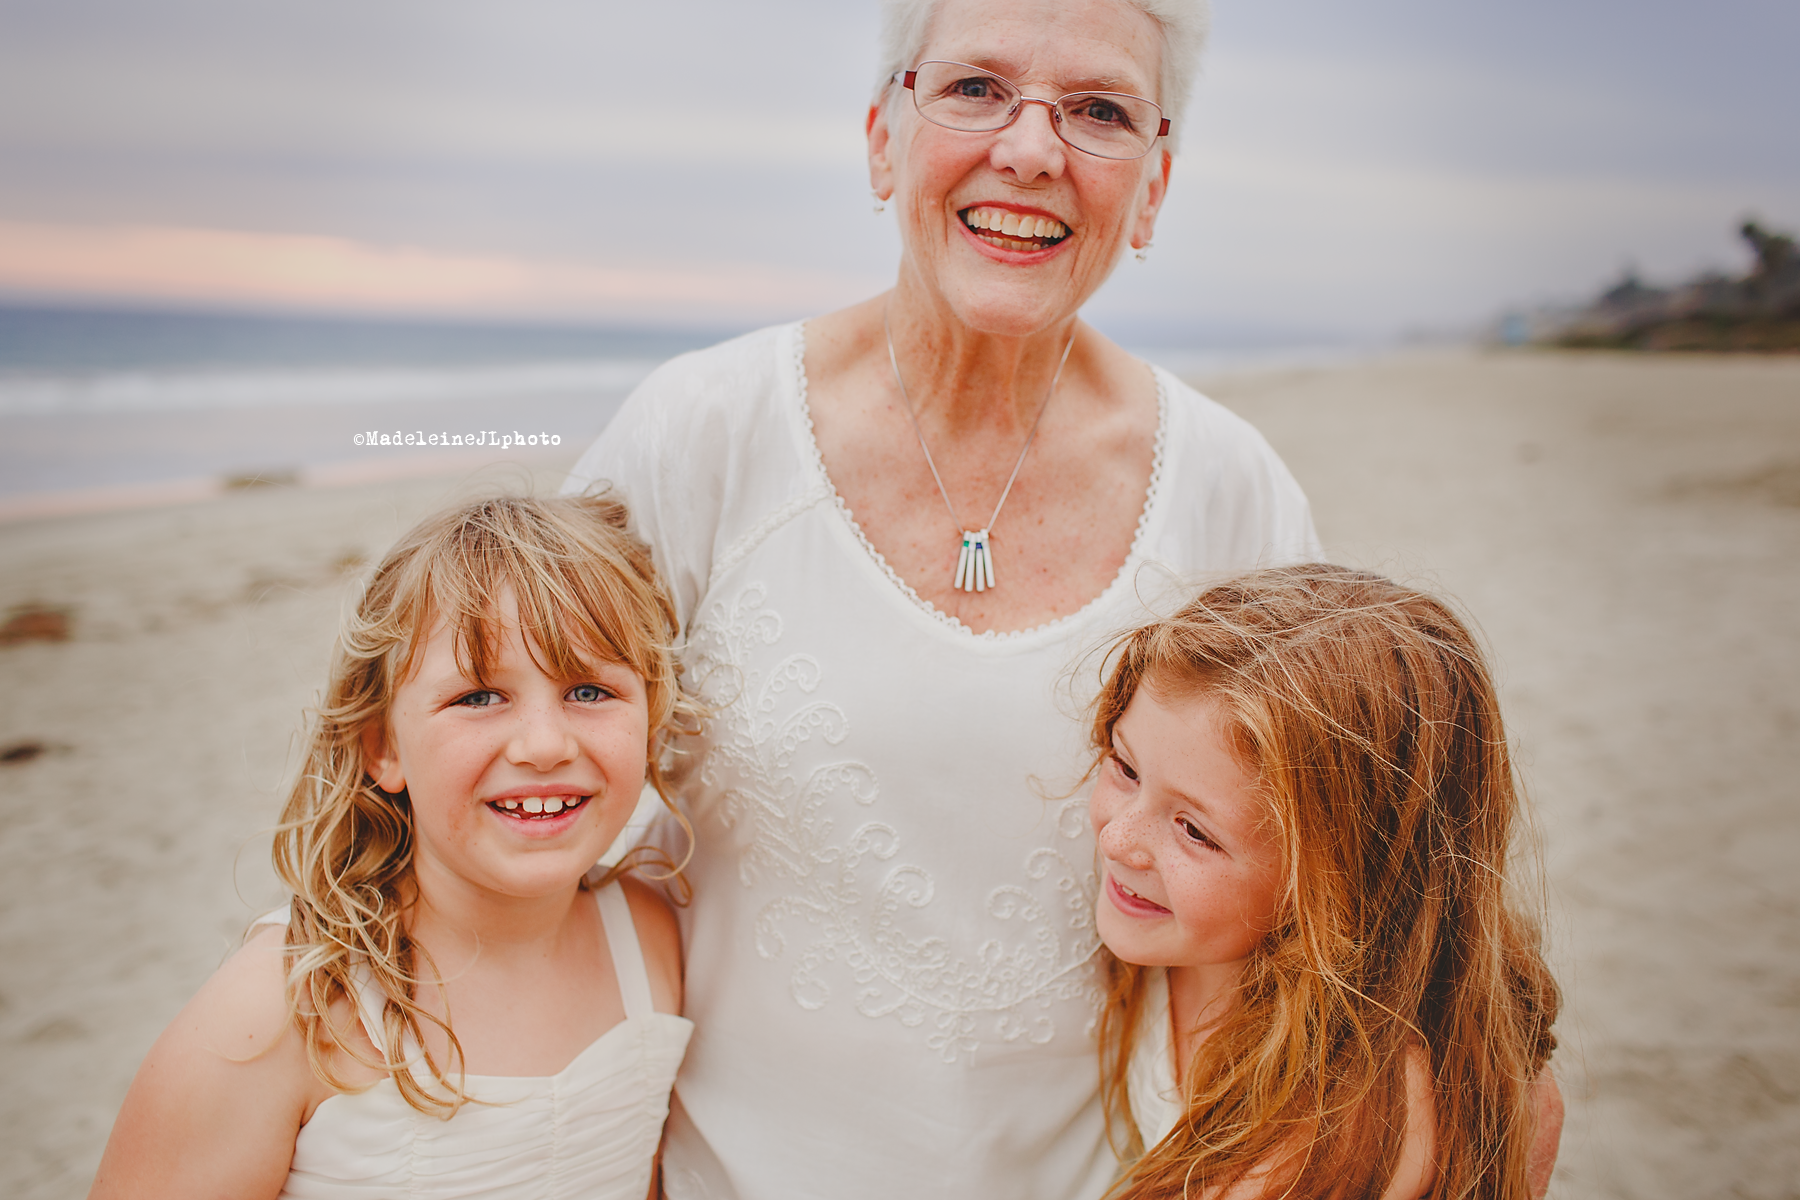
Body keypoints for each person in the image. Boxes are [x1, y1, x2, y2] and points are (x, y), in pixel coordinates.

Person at [566, 0, 1318, 1195]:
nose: (1030, 151)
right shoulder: (701, 434)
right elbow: (506, 784)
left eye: (1099, 110)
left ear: (1157, 184)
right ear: (881, 137)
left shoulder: (1234, 497)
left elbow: (1320, 899)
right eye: (975, 90)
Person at [87, 494, 695, 1200]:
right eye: (478, 697)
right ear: (382, 746)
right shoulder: (284, 1013)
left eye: (589, 690)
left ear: (651, 717)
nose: (544, 745)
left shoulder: (651, 942)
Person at [1088, 566, 1564, 1199]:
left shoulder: (1336, 1139)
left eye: (1195, 832)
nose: (1116, 840)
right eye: (1124, 766)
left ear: (1337, 884)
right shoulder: (1195, 940)